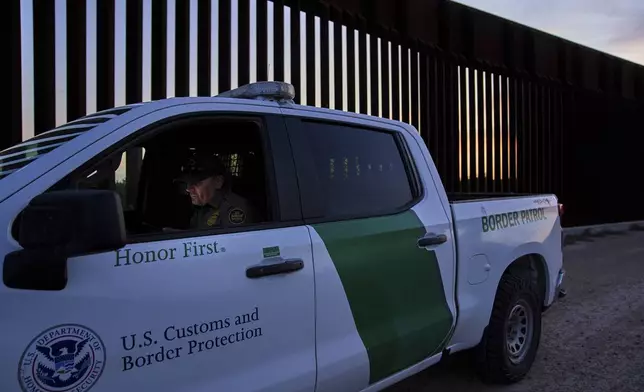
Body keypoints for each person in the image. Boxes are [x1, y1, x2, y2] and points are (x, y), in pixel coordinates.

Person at [175, 153, 255, 229]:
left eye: (197, 183)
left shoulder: (234, 210)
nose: (188, 189)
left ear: (218, 181)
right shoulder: (203, 206)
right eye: (187, 183)